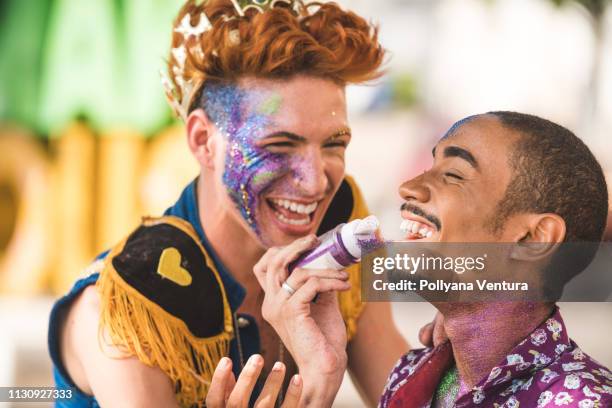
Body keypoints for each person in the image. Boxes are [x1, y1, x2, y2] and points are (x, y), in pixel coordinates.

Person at [47, 0, 433, 406]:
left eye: (333, 144)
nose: (317, 181)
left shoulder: (341, 219)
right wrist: (315, 391)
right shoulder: (130, 312)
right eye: (280, 145)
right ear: (202, 140)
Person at [213, 111, 611, 407]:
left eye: (453, 175)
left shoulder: (579, 400)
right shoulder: (415, 377)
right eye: (429, 165)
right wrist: (321, 374)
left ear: (532, 239)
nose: (409, 187)